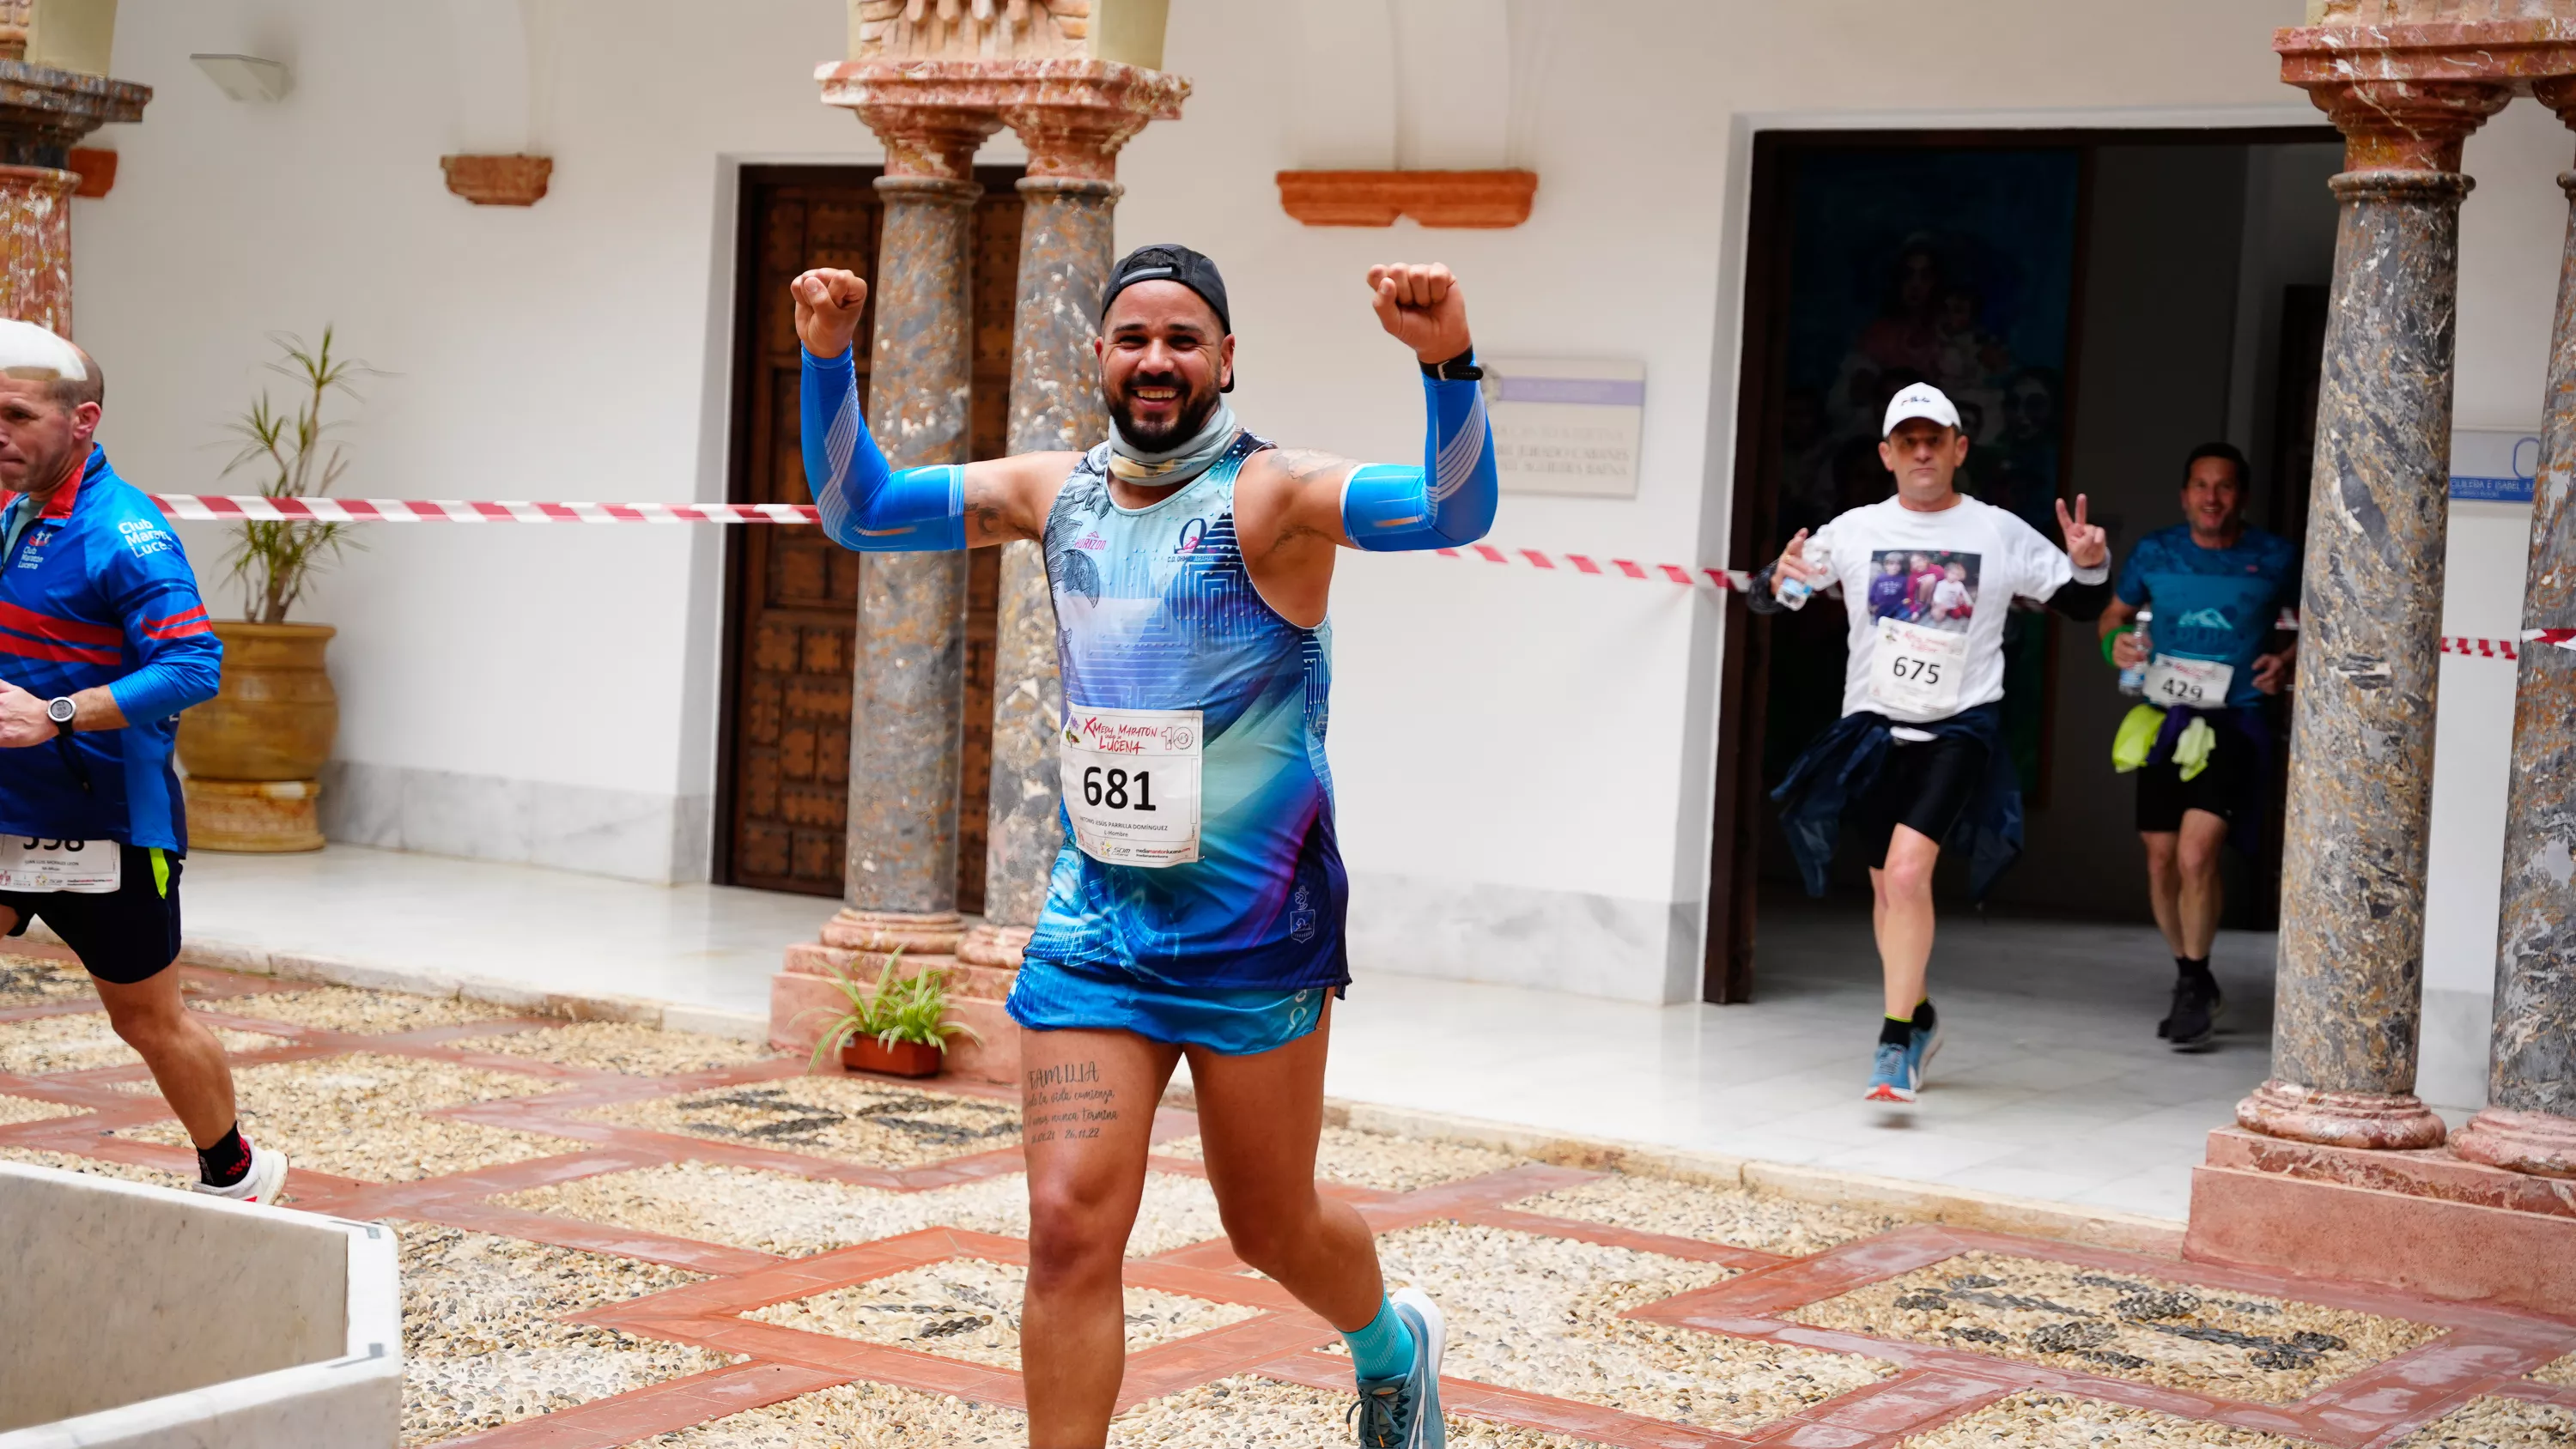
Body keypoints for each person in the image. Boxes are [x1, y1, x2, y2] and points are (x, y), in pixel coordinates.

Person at [790, 245, 1496, 1449]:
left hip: (1253, 935)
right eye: (1133, 337)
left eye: (1183, 339)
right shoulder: (1051, 491)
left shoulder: (1270, 496)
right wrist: (826, 361)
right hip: (1096, 929)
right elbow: (859, 510)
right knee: (1066, 1228)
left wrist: (1447, 361)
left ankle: (1392, 1344)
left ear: (1226, 358)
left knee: (1268, 1228)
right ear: (1098, 357)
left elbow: (1450, 508)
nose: (1156, 360)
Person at [1754, 382, 2110, 1104]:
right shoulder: (1853, 530)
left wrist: (2092, 563)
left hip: (1959, 727)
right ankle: (1917, 1016)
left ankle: (1893, 1041)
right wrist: (1776, 576)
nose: (1922, 451)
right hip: (1873, 730)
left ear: (1959, 449)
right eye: (1908, 441)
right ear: (1887, 455)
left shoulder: (1998, 532)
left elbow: (2080, 604)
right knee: (1887, 891)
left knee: (1910, 877)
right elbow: (1774, 598)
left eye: (1935, 439)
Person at [0, 321, 283, 1202]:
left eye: (17, 416)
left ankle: (233, 1168)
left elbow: (196, 664)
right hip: (8, 809)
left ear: (82, 421)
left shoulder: (125, 532)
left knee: (146, 1019)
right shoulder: (17, 511)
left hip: (106, 827)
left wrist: (58, 713)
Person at [2098, 443, 2297, 1050]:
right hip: (2166, 718)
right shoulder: (2155, 553)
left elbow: (2326, 623)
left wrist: (2287, 661)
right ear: (2185, 495)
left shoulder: (2276, 557)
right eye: (2201, 486)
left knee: (2195, 854)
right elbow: (2113, 618)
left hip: (2235, 720)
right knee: (2159, 858)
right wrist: (2118, 648)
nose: (2213, 498)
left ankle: (2191, 982)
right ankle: (2195, 974)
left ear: (2242, 496)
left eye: (2225, 487)